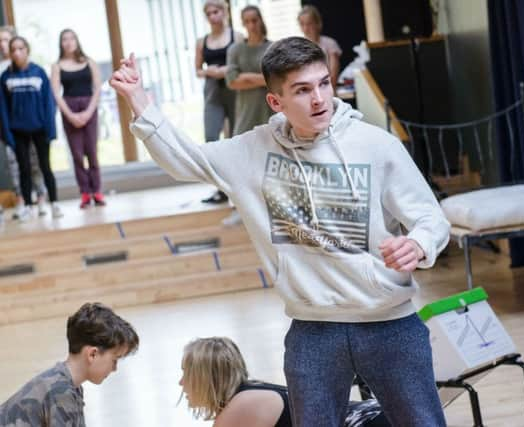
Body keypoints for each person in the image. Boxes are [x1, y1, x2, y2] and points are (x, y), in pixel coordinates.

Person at [111, 36, 450, 426]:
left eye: (323, 83)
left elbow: (431, 218)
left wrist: (418, 244)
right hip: (313, 329)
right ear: (276, 102)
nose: (320, 98)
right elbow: (185, 159)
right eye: (302, 90)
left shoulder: (376, 145)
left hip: (389, 322)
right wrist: (139, 100)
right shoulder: (252, 151)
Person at [179, 336, 390, 427]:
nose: (181, 383)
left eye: (185, 375)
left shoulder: (242, 405)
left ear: (203, 378)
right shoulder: (249, 394)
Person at [0, 302, 139, 426]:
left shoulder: (69, 386)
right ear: (92, 354)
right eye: (115, 360)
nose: (115, 368)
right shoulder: (61, 392)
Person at [0, 36, 62, 221]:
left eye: (21, 48)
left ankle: (55, 204)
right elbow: (2, 108)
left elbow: (48, 103)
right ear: (10, 53)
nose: (17, 52)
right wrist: (7, 135)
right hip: (18, 131)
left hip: (40, 129)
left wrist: (50, 130)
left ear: (27, 50)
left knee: (45, 167)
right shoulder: (6, 77)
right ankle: (27, 205)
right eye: (14, 49)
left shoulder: (39, 72)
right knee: (24, 169)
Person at [222, 5, 272, 225]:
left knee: (269, 164)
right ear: (243, 23)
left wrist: (247, 78)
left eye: (255, 20)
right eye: (248, 21)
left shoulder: (273, 48)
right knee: (242, 164)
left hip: (270, 113)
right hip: (245, 114)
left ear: (261, 20)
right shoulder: (235, 50)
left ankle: (269, 212)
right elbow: (232, 81)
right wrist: (261, 78)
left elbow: (276, 79)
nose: (252, 25)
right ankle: (242, 210)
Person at [50, 29, 105, 209]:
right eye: (64, 39)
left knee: (92, 152)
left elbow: (97, 89)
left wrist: (89, 111)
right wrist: (71, 115)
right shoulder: (57, 66)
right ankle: (85, 193)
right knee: (77, 154)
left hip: (89, 106)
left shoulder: (90, 62)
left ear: (77, 41)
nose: (68, 42)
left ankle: (97, 191)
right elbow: (57, 94)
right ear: (61, 43)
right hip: (69, 108)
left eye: (71, 38)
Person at [196, 0, 243, 204]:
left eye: (216, 11)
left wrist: (226, 71)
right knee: (211, 137)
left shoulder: (237, 36)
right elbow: (197, 69)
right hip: (212, 91)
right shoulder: (202, 41)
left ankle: (239, 187)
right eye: (209, 13)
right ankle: (220, 188)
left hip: (233, 89)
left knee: (235, 139)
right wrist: (209, 71)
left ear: (224, 12)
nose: (213, 16)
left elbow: (241, 64)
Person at [298, 5, 342, 91]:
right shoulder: (298, 48)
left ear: (318, 23)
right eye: (302, 24)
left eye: (309, 23)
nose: (306, 28)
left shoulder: (330, 43)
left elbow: (333, 75)